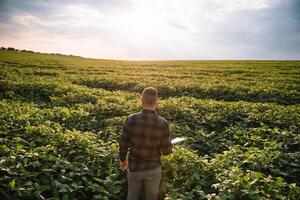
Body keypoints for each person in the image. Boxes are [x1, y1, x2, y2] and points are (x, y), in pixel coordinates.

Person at [119, 87, 173, 200]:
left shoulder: (130, 120)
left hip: (134, 167)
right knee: (152, 197)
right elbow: (166, 152)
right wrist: (169, 145)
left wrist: (123, 160)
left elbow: (123, 143)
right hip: (153, 168)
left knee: (132, 196)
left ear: (141, 99)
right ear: (157, 101)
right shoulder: (163, 124)